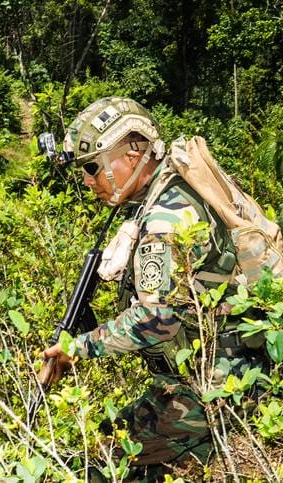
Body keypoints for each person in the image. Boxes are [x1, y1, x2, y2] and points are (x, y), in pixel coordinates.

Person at [39, 97, 265, 478]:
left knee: (96, 467)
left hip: (215, 387)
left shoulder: (166, 217)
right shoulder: (170, 190)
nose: (88, 181)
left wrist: (76, 349)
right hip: (214, 371)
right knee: (103, 439)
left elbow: (157, 318)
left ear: (132, 153)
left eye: (93, 167)